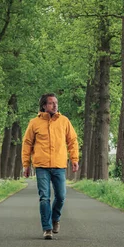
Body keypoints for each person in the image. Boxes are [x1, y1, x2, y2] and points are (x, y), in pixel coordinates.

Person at [22, 93, 79, 239]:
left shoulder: (64, 121)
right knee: (44, 197)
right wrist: (26, 164)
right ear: (44, 105)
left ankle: (55, 219)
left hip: (59, 165)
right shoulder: (34, 123)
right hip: (41, 166)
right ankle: (47, 229)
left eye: (56, 102)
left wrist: (74, 159)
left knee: (61, 196)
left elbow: (72, 141)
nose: (55, 105)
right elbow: (27, 144)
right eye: (51, 103)